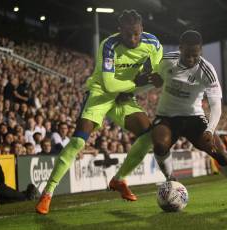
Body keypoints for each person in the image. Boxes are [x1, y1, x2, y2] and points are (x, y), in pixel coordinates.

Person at [35, 9, 163, 214]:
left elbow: (156, 77)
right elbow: (110, 85)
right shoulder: (109, 45)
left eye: (137, 33)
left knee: (148, 135)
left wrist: (139, 85)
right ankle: (47, 193)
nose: (133, 38)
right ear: (119, 30)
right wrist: (133, 84)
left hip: (125, 96)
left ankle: (119, 180)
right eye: (128, 34)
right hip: (100, 93)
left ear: (142, 29)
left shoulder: (153, 44)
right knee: (78, 141)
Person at [150, 30, 227, 204]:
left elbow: (216, 105)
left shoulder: (207, 70)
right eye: (187, 54)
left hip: (194, 118)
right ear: (180, 48)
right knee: (159, 145)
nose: (191, 59)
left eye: (195, 55)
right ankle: (171, 180)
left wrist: (210, 129)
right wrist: (151, 80)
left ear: (200, 51)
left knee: (221, 154)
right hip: (167, 116)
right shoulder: (165, 60)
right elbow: (151, 77)